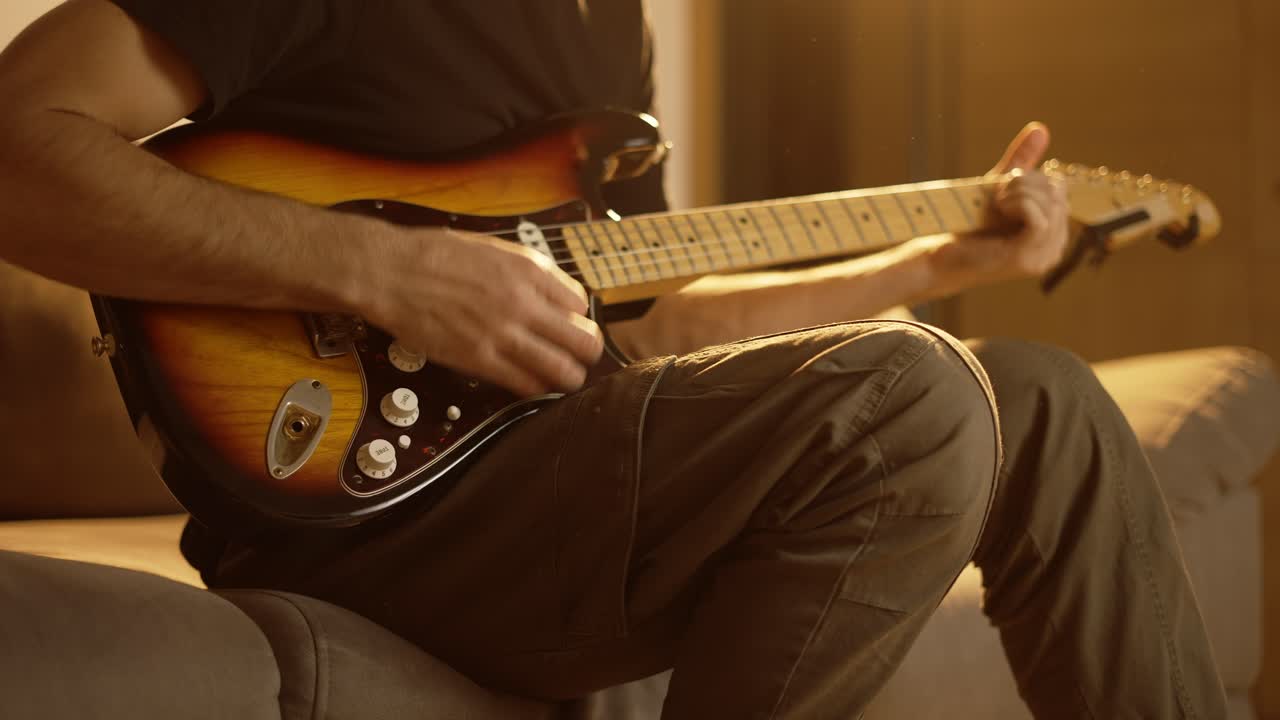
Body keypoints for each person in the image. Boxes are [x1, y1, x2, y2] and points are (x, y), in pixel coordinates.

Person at [0, 1, 1228, 717]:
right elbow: (18, 142)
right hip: (367, 518)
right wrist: (379, 272)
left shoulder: (602, 31)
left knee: (1039, 399)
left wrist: (924, 273)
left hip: (568, 479)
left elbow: (635, 326)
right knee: (913, 391)